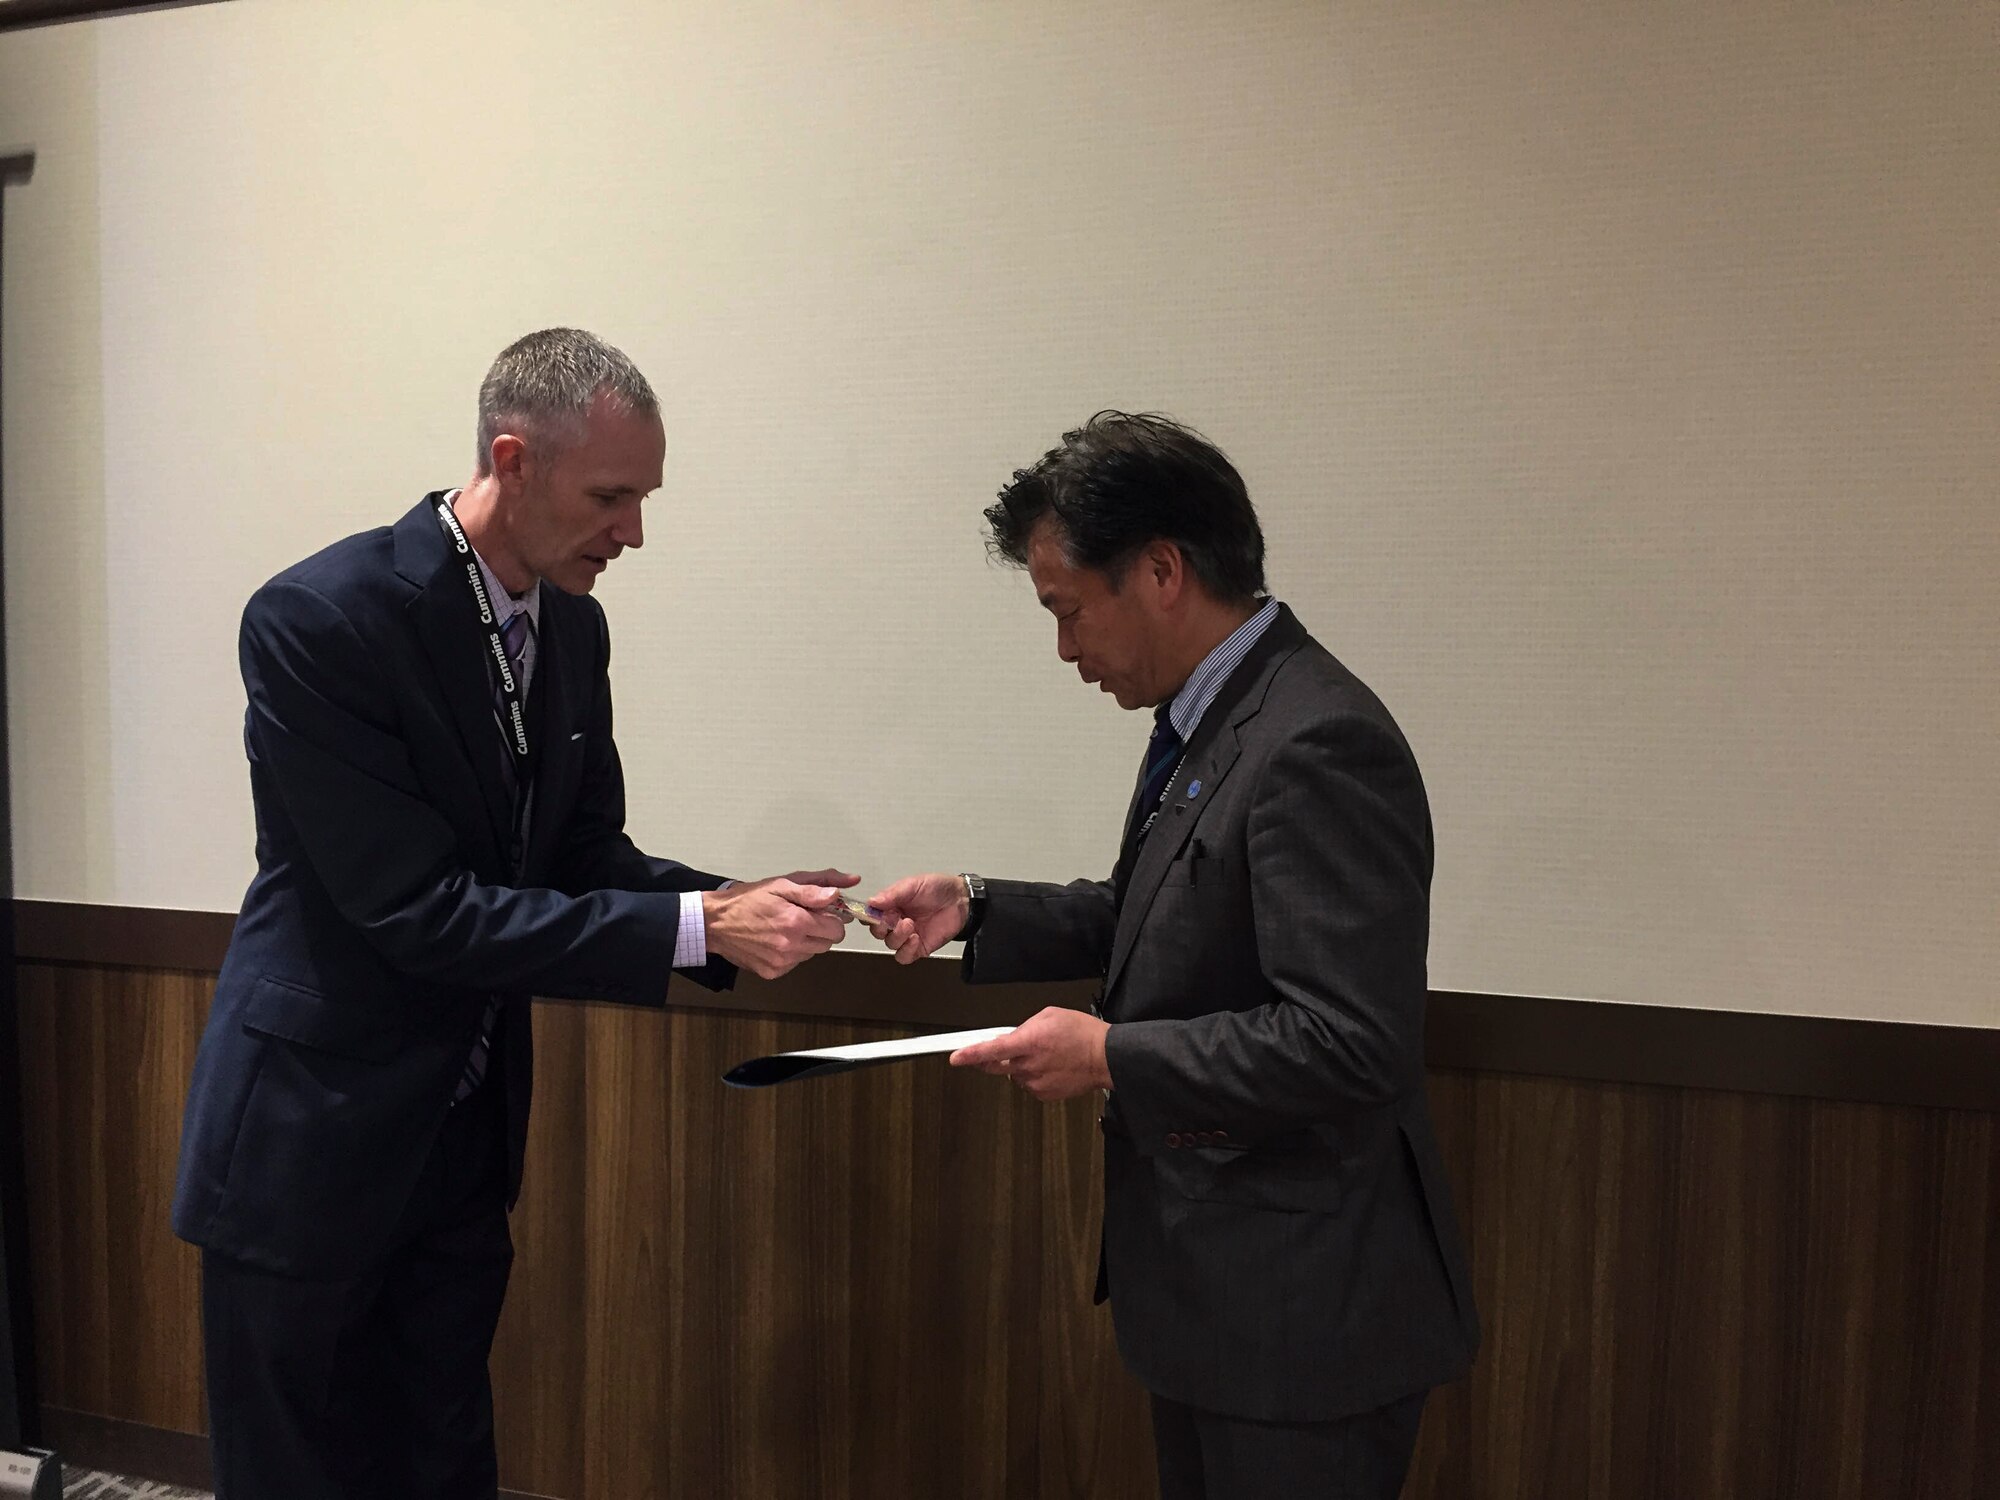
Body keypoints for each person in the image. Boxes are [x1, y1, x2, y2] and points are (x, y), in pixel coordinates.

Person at [172, 328, 853, 1499]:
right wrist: (698, 930)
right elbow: (417, 911)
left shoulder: (573, 628)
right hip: (310, 1135)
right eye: (610, 497)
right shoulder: (321, 618)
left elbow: (580, 856)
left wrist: (735, 901)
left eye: (642, 499)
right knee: (296, 1471)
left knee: (444, 1459)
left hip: (465, 1137)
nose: (632, 533)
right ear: (512, 460)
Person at [866, 412, 1478, 1499]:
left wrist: (1110, 1057)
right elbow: (1157, 914)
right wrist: (976, 906)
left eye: (1067, 611)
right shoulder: (1220, 716)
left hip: (1304, 1323)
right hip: (1222, 1299)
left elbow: (1347, 1042)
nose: (1065, 651)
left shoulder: (1315, 739)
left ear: (1160, 571)